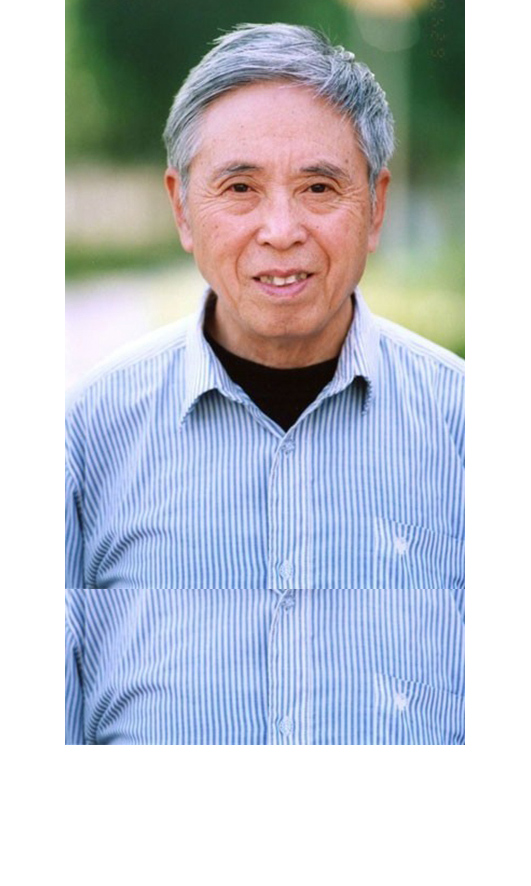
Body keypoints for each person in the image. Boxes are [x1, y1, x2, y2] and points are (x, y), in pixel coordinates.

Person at [65, 24, 464, 745]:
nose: (280, 230)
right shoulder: (84, 438)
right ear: (182, 208)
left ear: (376, 207)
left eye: (319, 188)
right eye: (240, 188)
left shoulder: (471, 427)